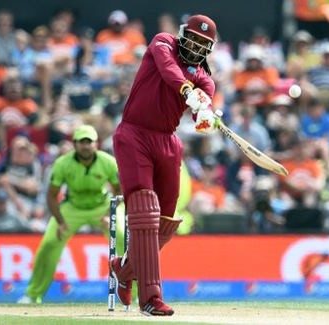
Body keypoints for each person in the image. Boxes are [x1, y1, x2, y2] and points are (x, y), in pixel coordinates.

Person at [110, 14, 219, 316]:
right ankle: (151, 298)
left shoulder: (204, 79)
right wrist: (187, 92)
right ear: (184, 35)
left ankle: (125, 269)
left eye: (203, 45)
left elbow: (203, 113)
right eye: (194, 40)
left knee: (166, 222)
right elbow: (168, 70)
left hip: (168, 143)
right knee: (145, 211)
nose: (196, 48)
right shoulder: (163, 42)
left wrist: (205, 115)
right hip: (134, 134)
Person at [17, 124, 123, 304]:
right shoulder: (62, 163)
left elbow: (120, 191)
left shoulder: (108, 162)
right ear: (74, 144)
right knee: (49, 244)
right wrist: (60, 222)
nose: (86, 146)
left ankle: (135, 296)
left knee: (122, 238)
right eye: (82, 142)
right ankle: (33, 294)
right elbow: (51, 196)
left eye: (89, 142)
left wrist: (108, 214)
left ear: (96, 144)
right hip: (72, 207)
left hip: (102, 206)